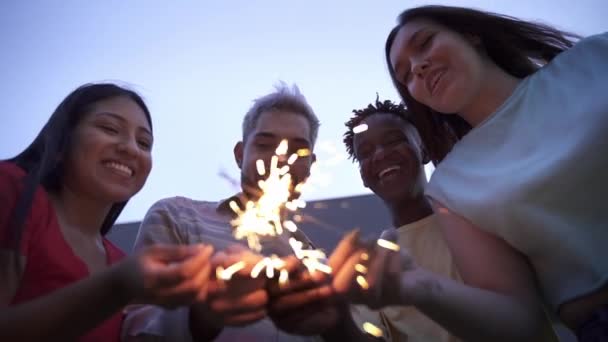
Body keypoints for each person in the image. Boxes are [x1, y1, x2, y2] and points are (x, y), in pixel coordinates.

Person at [333, 5, 606, 342]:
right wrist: (416, 286)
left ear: (470, 34)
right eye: (405, 75)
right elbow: (516, 319)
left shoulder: (594, 59)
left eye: (425, 43)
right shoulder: (453, 184)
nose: (417, 67)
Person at [123, 83, 376, 341]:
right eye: (265, 145)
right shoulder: (177, 217)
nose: (280, 159)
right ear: (240, 154)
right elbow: (134, 329)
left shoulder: (318, 265)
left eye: (297, 150)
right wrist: (201, 315)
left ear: (310, 166)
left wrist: (338, 324)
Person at [0, 83, 214, 341]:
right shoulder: (11, 188)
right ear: (60, 142)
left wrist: (206, 316)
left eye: (144, 143)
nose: (131, 148)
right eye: (110, 129)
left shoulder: (121, 261)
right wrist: (116, 287)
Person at [342, 97, 461, 341]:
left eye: (394, 140)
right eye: (365, 152)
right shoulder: (372, 265)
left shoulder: (475, 219)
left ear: (425, 149)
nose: (380, 155)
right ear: (363, 177)